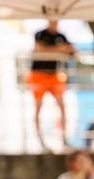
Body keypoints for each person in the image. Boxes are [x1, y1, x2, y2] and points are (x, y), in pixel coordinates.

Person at [28, 19, 75, 151]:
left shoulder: (62, 36)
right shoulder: (40, 34)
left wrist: (59, 50)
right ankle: (40, 140)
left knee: (62, 107)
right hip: (38, 75)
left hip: (54, 75)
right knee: (38, 108)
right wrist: (60, 49)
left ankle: (64, 138)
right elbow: (39, 50)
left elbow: (71, 51)